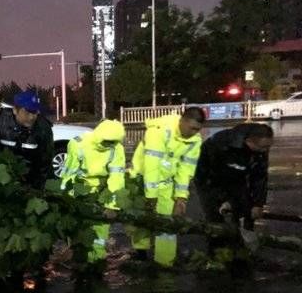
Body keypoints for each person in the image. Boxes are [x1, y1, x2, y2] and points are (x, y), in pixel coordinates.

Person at [129, 107, 206, 266]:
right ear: (182, 121)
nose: (193, 132)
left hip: (166, 183)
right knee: (143, 219)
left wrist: (181, 198)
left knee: (168, 225)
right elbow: (152, 168)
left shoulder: (195, 140)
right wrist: (151, 198)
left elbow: (185, 170)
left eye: (197, 129)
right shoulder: (158, 132)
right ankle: (141, 254)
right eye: (191, 128)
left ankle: (165, 262)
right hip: (142, 180)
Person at [60, 120, 126, 262]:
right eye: (107, 141)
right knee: (78, 230)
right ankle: (79, 260)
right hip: (80, 191)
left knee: (101, 230)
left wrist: (111, 206)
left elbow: (117, 178)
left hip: (102, 192)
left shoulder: (116, 148)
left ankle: (96, 261)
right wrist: (67, 200)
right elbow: (70, 174)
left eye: (113, 142)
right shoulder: (77, 144)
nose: (109, 145)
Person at [194, 123, 273, 240]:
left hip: (237, 178)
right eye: (263, 147)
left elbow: (259, 177)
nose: (265, 151)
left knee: (245, 211)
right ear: (249, 142)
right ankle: (217, 248)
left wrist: (258, 204)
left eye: (268, 147)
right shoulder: (220, 145)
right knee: (216, 220)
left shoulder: (260, 148)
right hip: (208, 182)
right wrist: (225, 200)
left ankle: (242, 246)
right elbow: (213, 176)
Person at [0, 90, 54, 189]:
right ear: (15, 110)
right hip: (4, 181)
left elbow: (45, 164)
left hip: (31, 183)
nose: (32, 117)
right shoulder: (1, 123)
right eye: (28, 112)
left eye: (35, 112)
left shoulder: (43, 129)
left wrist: (37, 191)